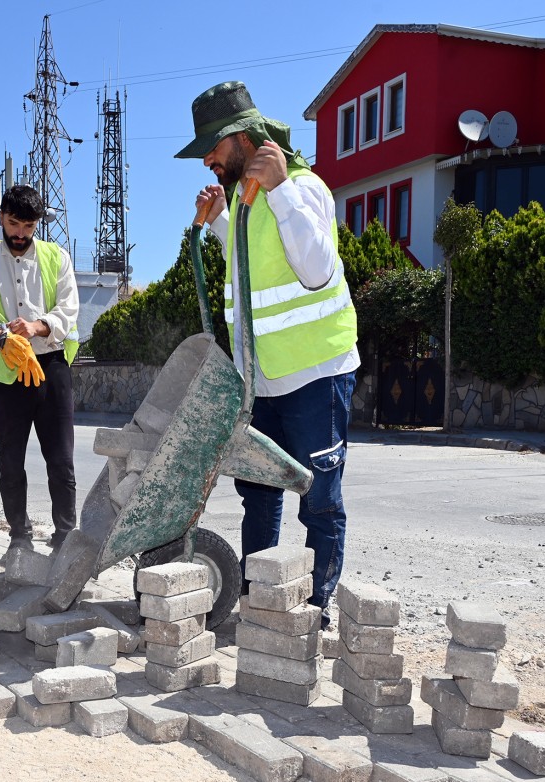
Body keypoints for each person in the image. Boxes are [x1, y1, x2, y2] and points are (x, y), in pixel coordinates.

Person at [176, 81, 358, 629]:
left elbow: (316, 269)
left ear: (241, 138)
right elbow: (257, 265)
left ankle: (317, 608)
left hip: (315, 373)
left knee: (318, 497)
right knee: (258, 492)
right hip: (261, 379)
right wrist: (220, 221)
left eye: (212, 148)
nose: (207, 161)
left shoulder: (303, 187)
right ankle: (261, 600)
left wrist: (279, 189)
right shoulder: (246, 200)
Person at [0, 185, 81, 551]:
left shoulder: (56, 257)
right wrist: (3, 338)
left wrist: (36, 327)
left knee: (61, 460)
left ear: (37, 224)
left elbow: (69, 308)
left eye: (28, 226)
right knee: (11, 461)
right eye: (14, 223)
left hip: (52, 369)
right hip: (7, 373)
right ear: (1, 216)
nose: (20, 233)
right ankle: (20, 537)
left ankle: (65, 537)